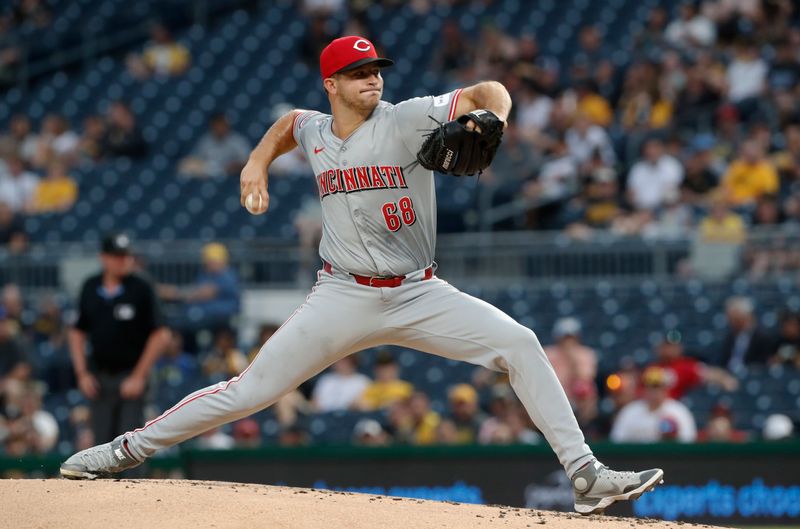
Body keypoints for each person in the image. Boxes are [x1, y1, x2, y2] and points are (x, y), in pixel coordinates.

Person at [61, 35, 663, 515]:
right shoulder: (315, 129)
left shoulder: (406, 119)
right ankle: (124, 449)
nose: (373, 78)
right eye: (358, 72)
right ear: (332, 84)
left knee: (520, 342)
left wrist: (497, 119)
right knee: (249, 392)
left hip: (419, 292)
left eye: (376, 69)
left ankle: (585, 475)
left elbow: (490, 88)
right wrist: (254, 163)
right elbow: (289, 124)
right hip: (342, 294)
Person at [67, 233, 170, 446]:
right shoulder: (91, 286)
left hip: (131, 376)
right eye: (117, 256)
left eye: (126, 255)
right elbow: (77, 331)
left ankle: (131, 482)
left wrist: (139, 375)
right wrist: (82, 373)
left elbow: (161, 334)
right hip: (100, 378)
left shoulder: (141, 286)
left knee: (131, 444)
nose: (124, 260)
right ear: (103, 258)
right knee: (101, 445)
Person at [610, 366, 697, 443]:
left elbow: (689, 441)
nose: (654, 392)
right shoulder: (630, 411)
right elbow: (617, 441)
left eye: (658, 386)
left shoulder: (679, 412)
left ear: (666, 389)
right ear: (644, 389)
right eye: (650, 386)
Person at [177, 114, 251, 178]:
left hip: (230, 174)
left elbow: (248, 161)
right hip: (209, 172)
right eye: (217, 125)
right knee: (185, 165)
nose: (219, 128)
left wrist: (236, 166)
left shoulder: (237, 141)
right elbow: (197, 158)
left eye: (222, 125)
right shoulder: (206, 141)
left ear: (227, 125)